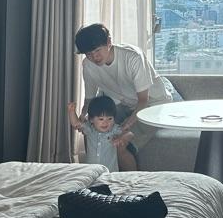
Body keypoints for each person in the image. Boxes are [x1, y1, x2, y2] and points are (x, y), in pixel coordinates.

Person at [74, 23, 174, 171]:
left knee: (121, 144)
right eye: (89, 54)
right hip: (123, 103)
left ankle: (131, 182)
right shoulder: (88, 65)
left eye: (97, 50)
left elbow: (143, 100)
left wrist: (127, 124)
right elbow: (89, 99)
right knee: (93, 130)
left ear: (109, 42)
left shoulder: (132, 57)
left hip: (152, 105)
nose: (94, 57)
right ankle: (95, 175)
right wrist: (83, 115)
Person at [66, 96, 134, 173]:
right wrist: (71, 111)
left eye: (110, 119)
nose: (106, 122)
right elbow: (76, 124)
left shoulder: (113, 130)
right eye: (101, 119)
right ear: (91, 119)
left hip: (110, 171)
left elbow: (130, 134)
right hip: (91, 171)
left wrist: (122, 138)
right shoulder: (89, 129)